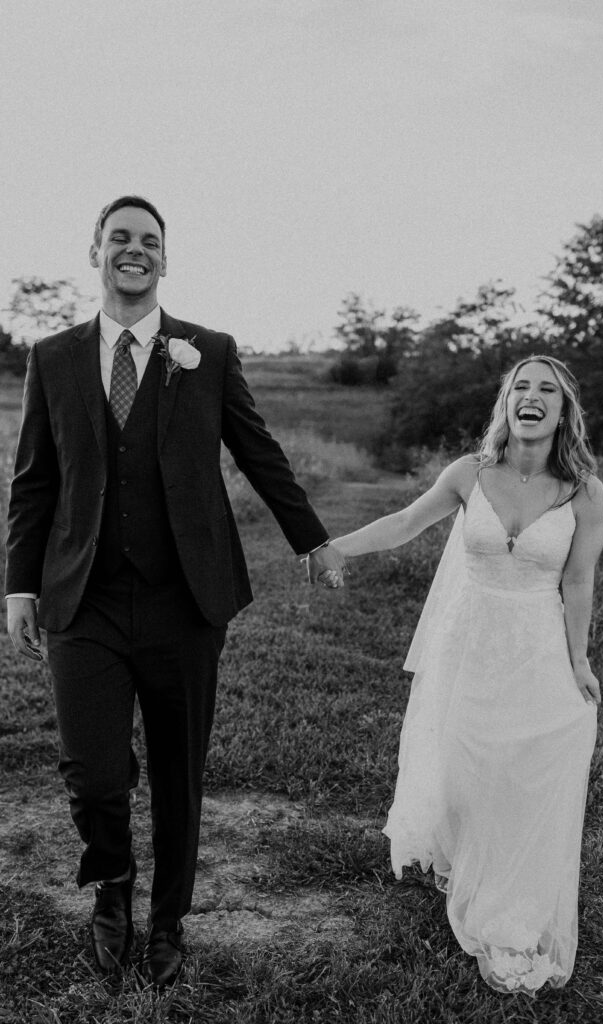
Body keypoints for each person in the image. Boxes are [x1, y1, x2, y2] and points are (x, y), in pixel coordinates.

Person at [4, 195, 345, 986]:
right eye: (119, 237)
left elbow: (260, 454)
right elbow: (34, 482)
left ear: (165, 258)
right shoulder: (53, 356)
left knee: (177, 767)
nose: (135, 249)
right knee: (92, 770)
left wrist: (313, 539)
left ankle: (168, 919)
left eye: (149, 241)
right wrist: (19, 585)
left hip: (185, 601)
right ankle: (113, 888)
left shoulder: (208, 351)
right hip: (82, 597)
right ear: (95, 250)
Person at [328, 356, 603, 993]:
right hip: (468, 646)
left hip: (535, 645)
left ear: (564, 412)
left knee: (524, 775)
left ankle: (509, 911)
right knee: (462, 769)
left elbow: (579, 580)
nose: (531, 397)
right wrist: (337, 547)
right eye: (520, 388)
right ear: (505, 404)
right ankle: (466, 859)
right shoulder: (468, 474)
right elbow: (404, 524)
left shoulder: (584, 492)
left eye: (546, 391)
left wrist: (580, 661)